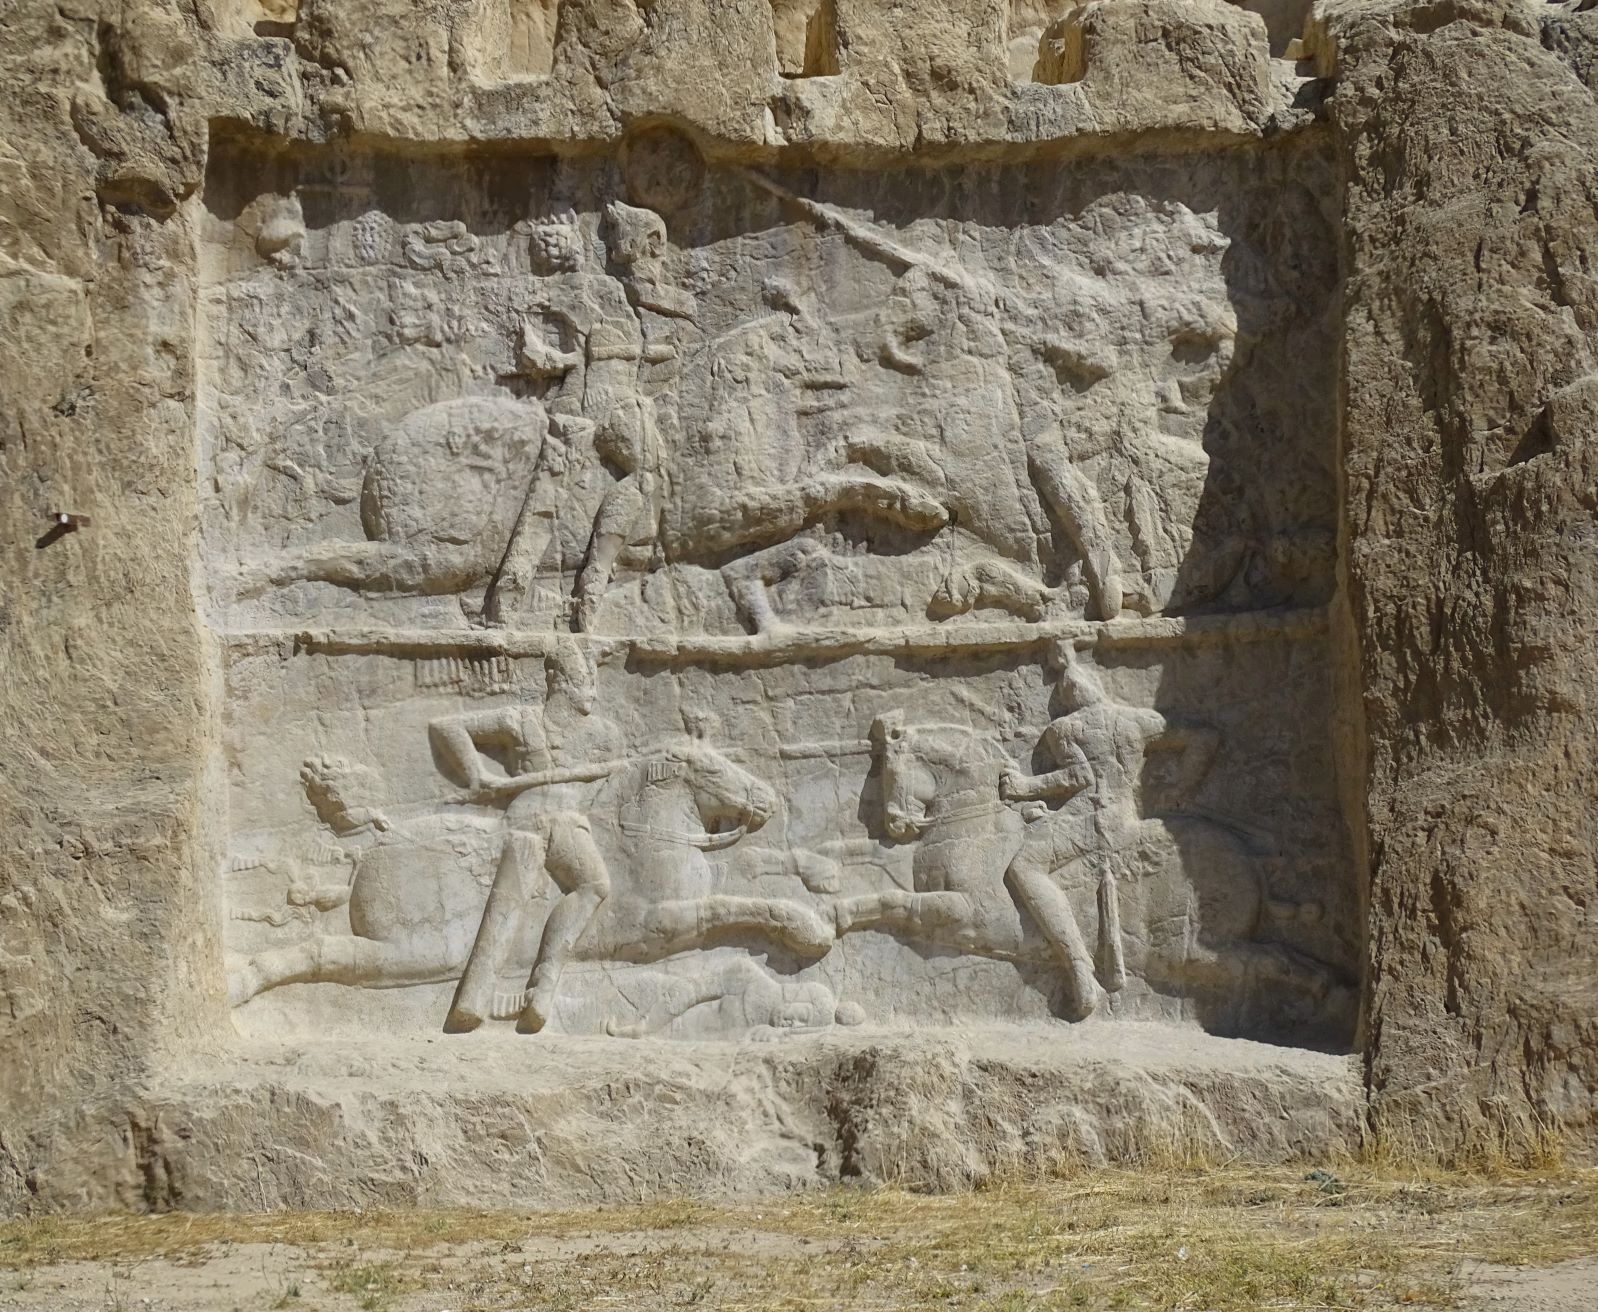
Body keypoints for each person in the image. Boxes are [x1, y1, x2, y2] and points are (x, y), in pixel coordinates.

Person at [1001, 640, 1218, 1017]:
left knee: (1024, 867)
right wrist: (1178, 792)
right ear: (1097, 687)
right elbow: (1204, 738)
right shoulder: (1135, 719)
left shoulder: (1064, 729)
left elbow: (1080, 776)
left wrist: (1025, 787)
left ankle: (1079, 968)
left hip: (1087, 819)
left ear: (1066, 698)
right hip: (1124, 817)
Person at [430, 643, 620, 1032]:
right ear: (558, 682)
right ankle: (473, 1001)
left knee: (596, 885)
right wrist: (477, 776)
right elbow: (446, 726)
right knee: (509, 902)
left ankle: (542, 987)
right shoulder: (520, 720)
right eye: (584, 683)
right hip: (527, 820)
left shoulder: (601, 734)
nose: (593, 694)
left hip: (569, 823)